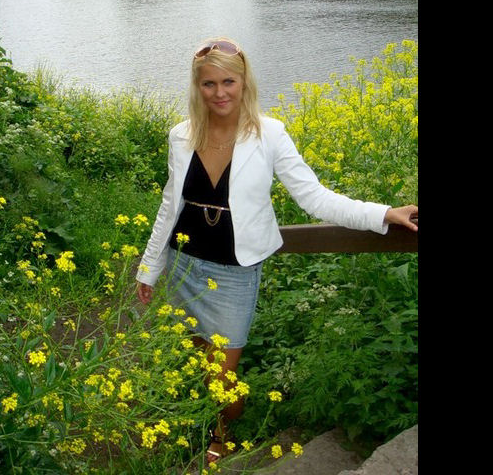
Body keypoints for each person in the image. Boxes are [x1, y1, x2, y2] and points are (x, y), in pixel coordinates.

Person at [135, 37, 418, 464]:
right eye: (209, 84)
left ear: (244, 81)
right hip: (184, 265)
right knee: (200, 361)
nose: (219, 93)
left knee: (223, 377)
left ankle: (222, 429)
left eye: (228, 82)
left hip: (233, 274)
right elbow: (168, 206)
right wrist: (149, 267)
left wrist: (383, 214)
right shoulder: (182, 134)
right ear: (198, 87)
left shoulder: (269, 134)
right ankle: (209, 426)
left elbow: (315, 198)